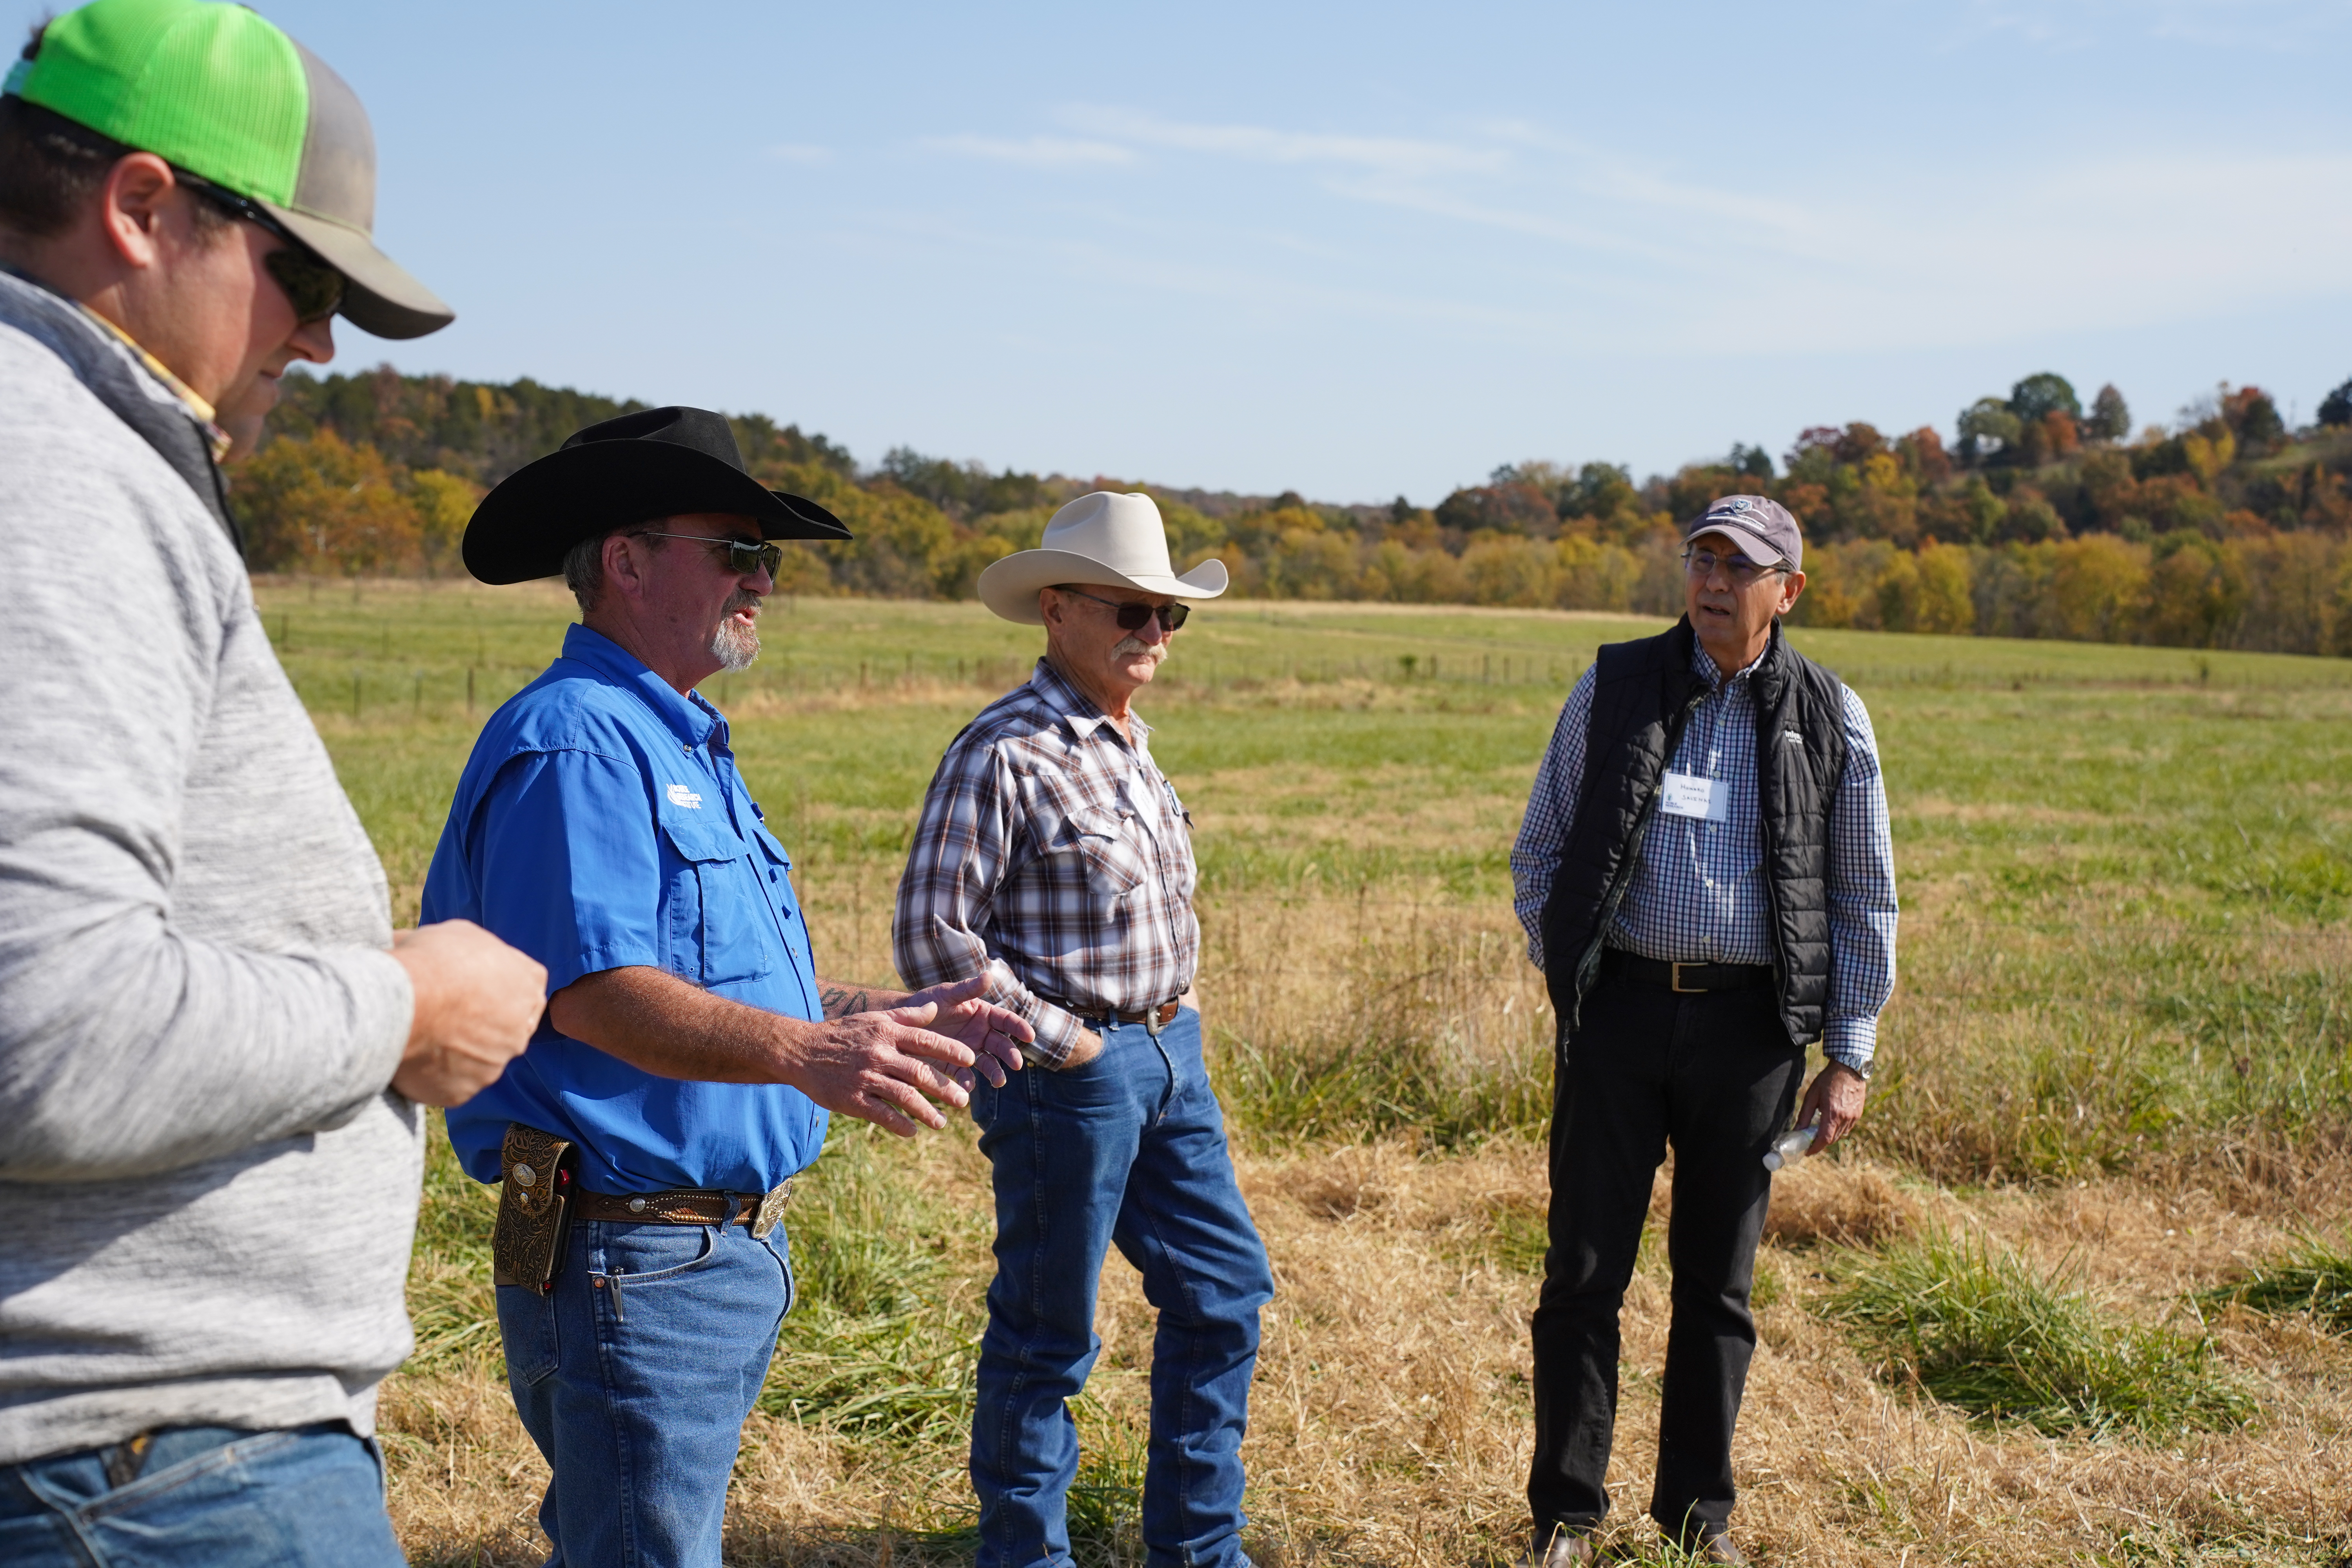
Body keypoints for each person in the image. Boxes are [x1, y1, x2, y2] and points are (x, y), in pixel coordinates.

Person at [0, 2, 549, 1563]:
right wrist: (406, 1006)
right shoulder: (53, 469)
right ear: (143, 206)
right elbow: (46, 1031)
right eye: (303, 279)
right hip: (146, 1469)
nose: (317, 340)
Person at [422, 405, 1036, 1568]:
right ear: (626, 560)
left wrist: (873, 1015)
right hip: (626, 1255)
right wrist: (814, 1058)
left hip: (695, 1256)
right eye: (739, 553)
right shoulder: (581, 743)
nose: (763, 582)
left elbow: (714, 980)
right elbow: (592, 993)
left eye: (768, 560)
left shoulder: (676, 738)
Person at [1507, 495, 1898, 1564]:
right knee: (1583, 1271)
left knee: (1716, 1288)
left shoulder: (1830, 714)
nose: (1715, 582)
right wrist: (1574, 976)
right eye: (1702, 559)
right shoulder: (1617, 683)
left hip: (1752, 1034)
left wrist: (1848, 1053)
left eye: (1741, 566)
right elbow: (1538, 849)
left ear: (1790, 590)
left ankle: (1696, 1519)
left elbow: (1865, 894)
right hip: (1621, 1015)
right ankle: (1566, 1517)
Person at [894, 492, 1276, 1568]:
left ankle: (1199, 1550)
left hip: (1168, 1057)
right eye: (1130, 612)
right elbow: (934, 942)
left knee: (1226, 1295)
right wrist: (1072, 1045)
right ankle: (1026, 1555)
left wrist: (1174, 1018)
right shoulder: (1004, 754)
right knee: (1048, 1333)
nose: (1153, 635)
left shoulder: (1130, 745)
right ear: (1056, 608)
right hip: (1069, 1077)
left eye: (1171, 618)